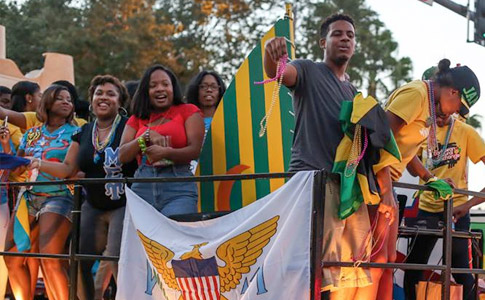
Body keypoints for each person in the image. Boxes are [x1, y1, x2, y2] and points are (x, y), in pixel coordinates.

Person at [264, 13, 396, 300]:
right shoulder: (308, 70)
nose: (345, 39)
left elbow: (372, 150)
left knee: (355, 269)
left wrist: (385, 193)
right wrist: (271, 56)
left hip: (348, 190)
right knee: (316, 270)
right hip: (312, 181)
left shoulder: (353, 92)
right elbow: (280, 73)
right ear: (323, 42)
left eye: (350, 35)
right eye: (337, 34)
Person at [29, 75, 138, 300]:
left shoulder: (129, 127)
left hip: (123, 203)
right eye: (99, 93)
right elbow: (69, 167)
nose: (103, 98)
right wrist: (37, 163)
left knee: (117, 259)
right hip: (94, 204)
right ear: (91, 100)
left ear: (120, 101)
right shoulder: (84, 131)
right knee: (79, 259)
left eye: (111, 93)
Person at [402, 65, 483, 300]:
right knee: (414, 268)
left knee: (461, 272)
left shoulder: (466, 132)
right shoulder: (421, 126)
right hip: (427, 208)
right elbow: (408, 159)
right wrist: (432, 179)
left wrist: (466, 206)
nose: (444, 113)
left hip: (457, 211)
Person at [4, 84, 79, 300]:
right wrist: (7, 147)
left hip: (59, 196)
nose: (67, 102)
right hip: (27, 197)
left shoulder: (77, 133)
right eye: (60, 98)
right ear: (47, 102)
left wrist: (37, 162)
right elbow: (17, 168)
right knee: (12, 257)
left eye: (69, 99)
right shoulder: (32, 133)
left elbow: (70, 170)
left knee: (49, 258)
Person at [119, 64, 204, 215]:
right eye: (153, 85)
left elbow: (195, 151)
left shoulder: (188, 111)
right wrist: (144, 138)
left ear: (173, 88)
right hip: (143, 185)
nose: (160, 88)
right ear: (146, 91)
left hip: (178, 185)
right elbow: (123, 155)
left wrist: (165, 153)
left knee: (177, 236)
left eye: (165, 84)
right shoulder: (137, 118)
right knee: (142, 238)